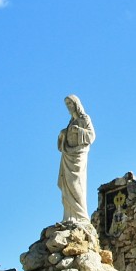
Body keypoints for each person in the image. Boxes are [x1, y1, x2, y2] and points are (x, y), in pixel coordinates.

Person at [57, 94, 95, 222]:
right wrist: (63, 133)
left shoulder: (85, 119)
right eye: (67, 104)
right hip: (67, 156)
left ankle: (81, 216)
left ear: (76, 104)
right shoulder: (70, 123)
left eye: (70, 103)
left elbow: (92, 136)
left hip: (78, 157)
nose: (68, 106)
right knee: (66, 186)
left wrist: (79, 130)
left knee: (76, 185)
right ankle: (68, 216)